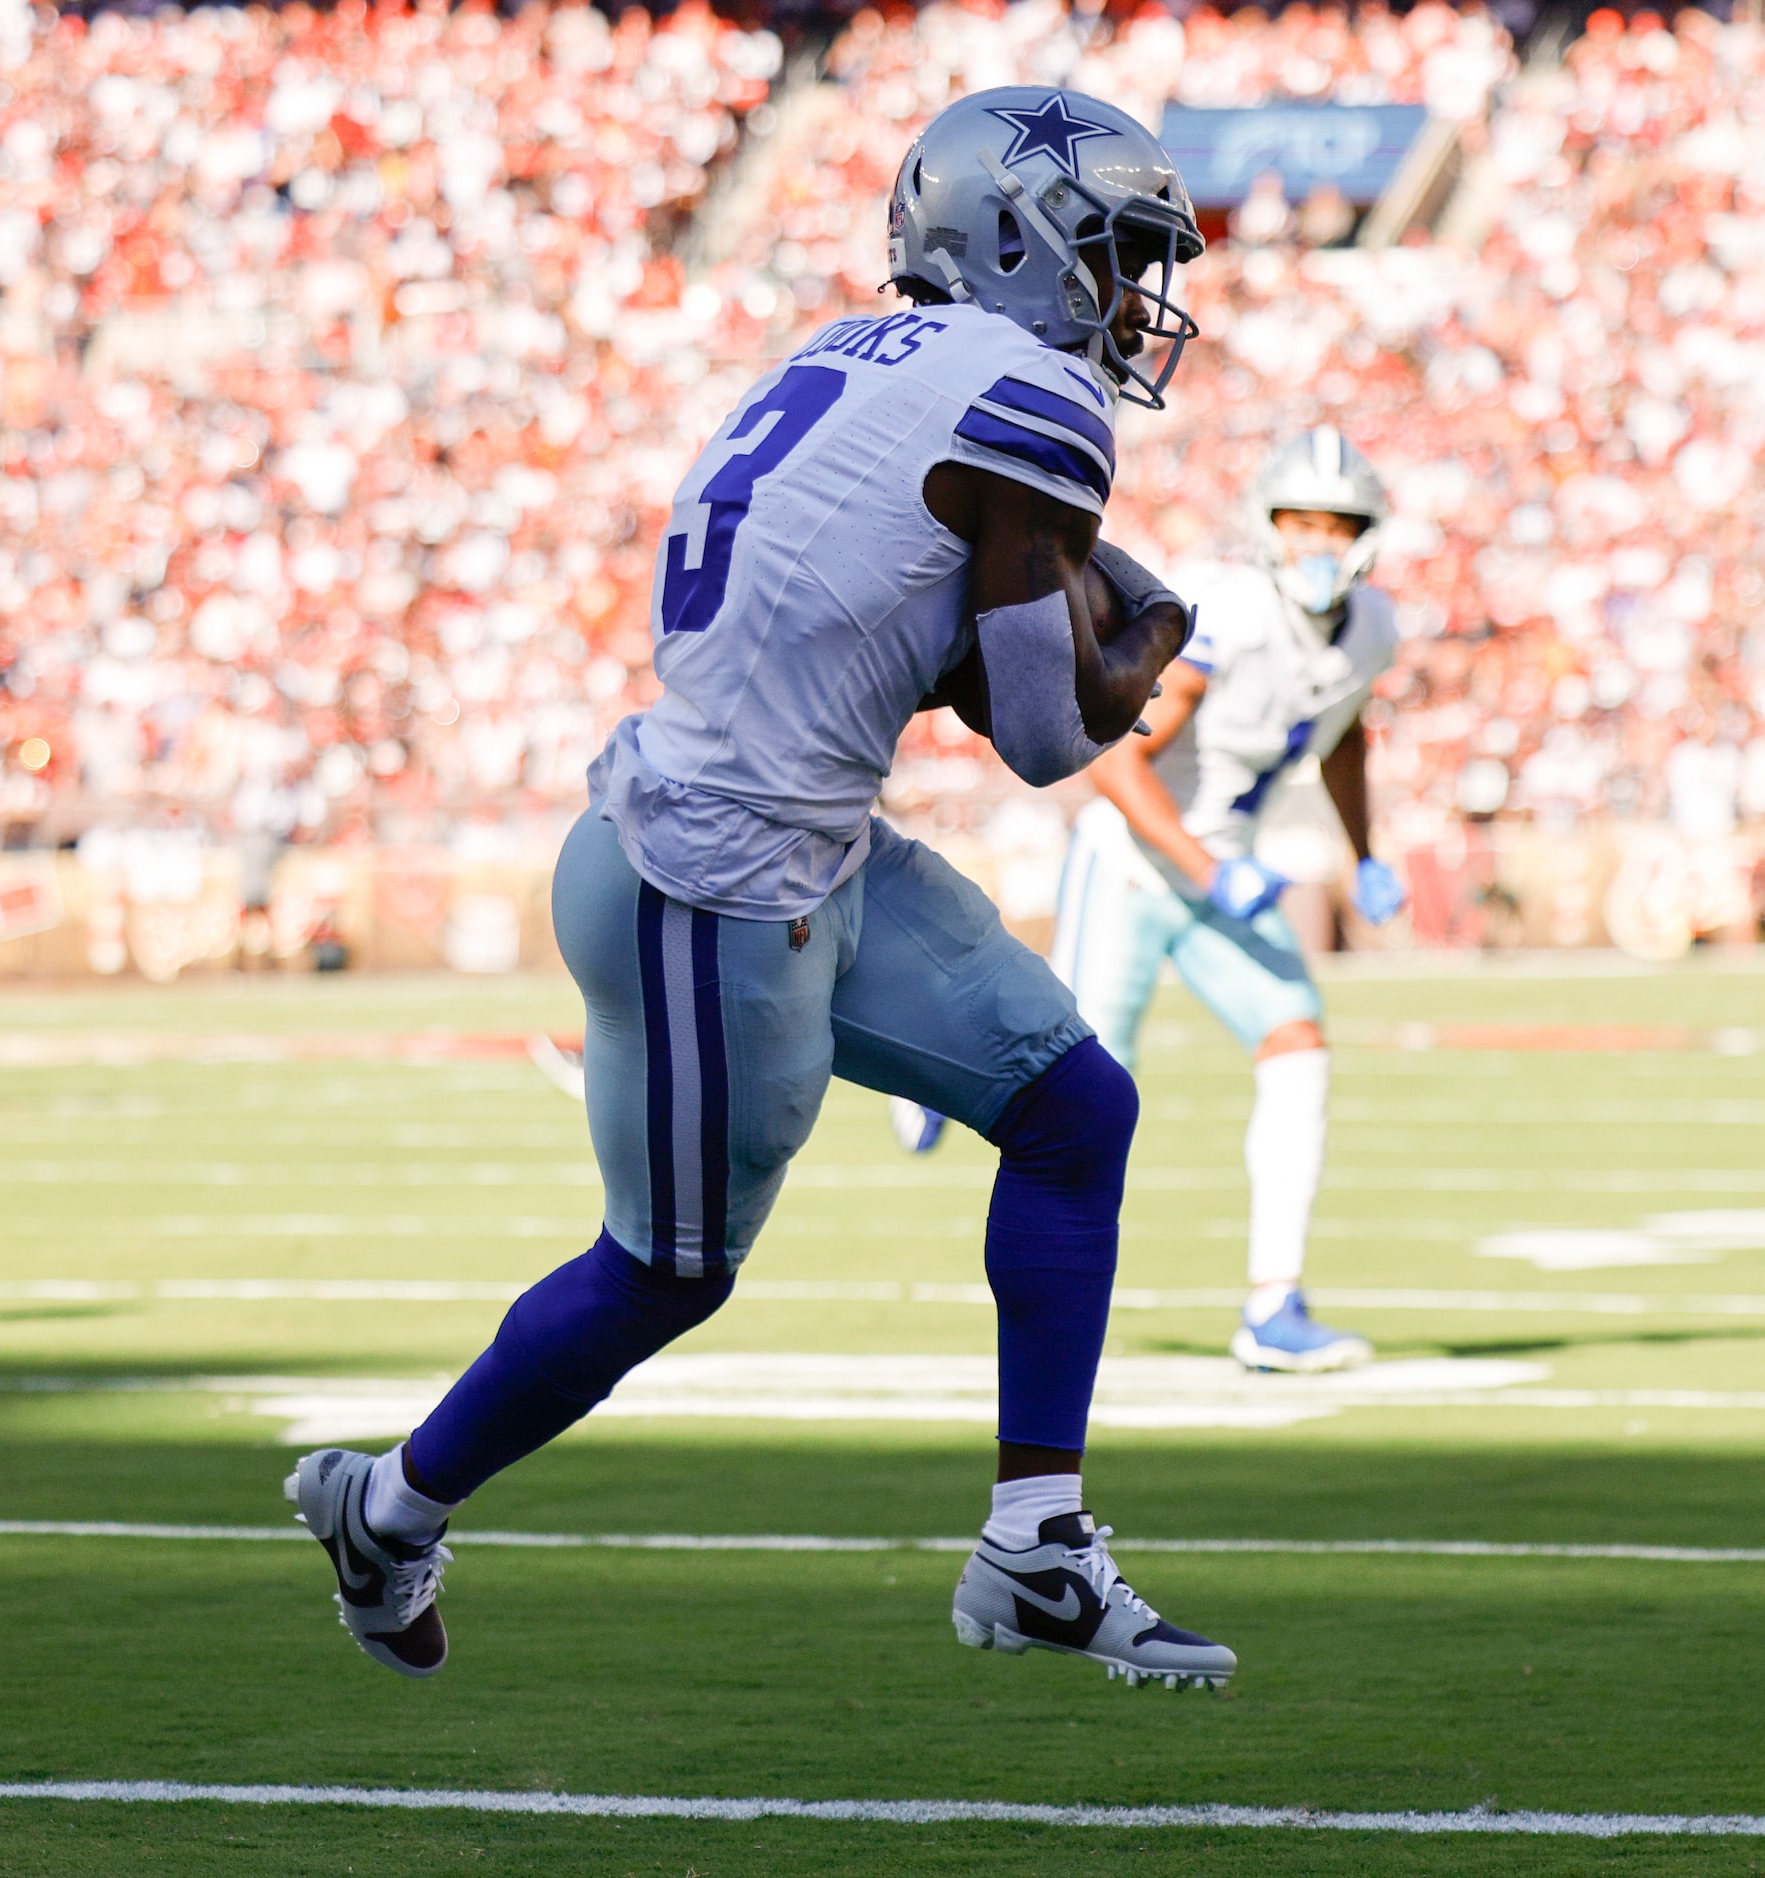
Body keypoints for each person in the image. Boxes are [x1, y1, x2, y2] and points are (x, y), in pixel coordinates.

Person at [286, 87, 1238, 1693]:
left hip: (800, 844)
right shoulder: (1023, 395)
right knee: (668, 1271)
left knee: (1079, 1110)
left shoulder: (832, 359)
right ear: (1018, 237)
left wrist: (1088, 603)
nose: (1134, 297)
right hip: (712, 883)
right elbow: (1042, 734)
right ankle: (386, 1508)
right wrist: (1153, 635)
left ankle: (1039, 1547)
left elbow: (893, 638)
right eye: (1114, 251)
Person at [1060, 429, 1407, 1371]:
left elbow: (1342, 733)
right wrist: (1210, 870)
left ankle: (1274, 1305)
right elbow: (1111, 758)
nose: (1318, 543)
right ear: (1268, 528)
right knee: (1075, 1095)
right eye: (1300, 523)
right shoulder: (1233, 616)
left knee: (1298, 1049)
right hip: (1136, 862)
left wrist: (1364, 850)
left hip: (1221, 871)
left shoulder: (1373, 626)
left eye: (1337, 525)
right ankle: (942, 1080)